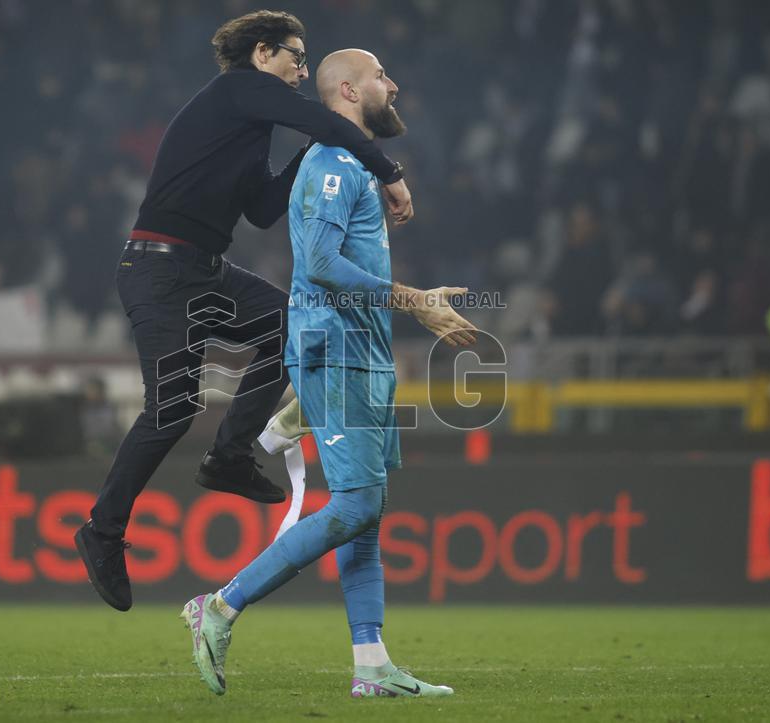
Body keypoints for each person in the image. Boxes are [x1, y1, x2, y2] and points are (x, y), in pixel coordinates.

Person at [74, 11, 415, 613]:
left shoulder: (246, 121)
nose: (303, 71)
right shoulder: (240, 88)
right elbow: (315, 116)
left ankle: (229, 455)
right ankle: (102, 532)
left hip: (200, 268)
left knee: (287, 326)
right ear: (262, 54)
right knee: (172, 409)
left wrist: (318, 143)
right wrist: (388, 171)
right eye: (295, 57)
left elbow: (260, 208)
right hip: (160, 272)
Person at [181, 48, 476, 698]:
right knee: (355, 504)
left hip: (362, 353)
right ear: (347, 90)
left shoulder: (359, 166)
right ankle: (222, 606)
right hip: (334, 348)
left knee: (366, 512)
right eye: (379, 76)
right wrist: (417, 301)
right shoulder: (333, 163)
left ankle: (371, 662)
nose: (392, 83)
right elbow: (317, 263)